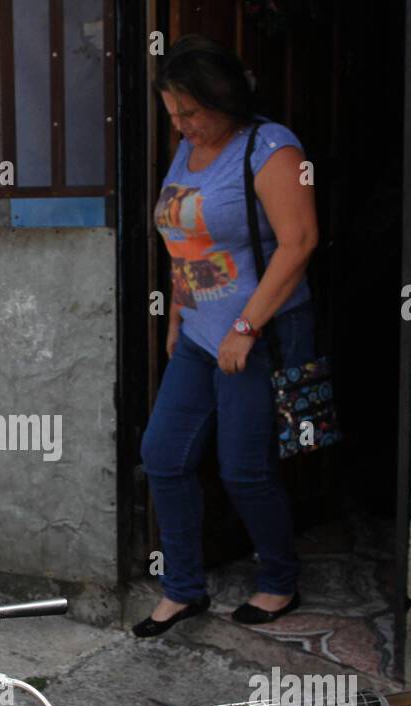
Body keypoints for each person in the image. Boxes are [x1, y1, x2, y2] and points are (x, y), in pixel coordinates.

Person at [133, 36, 319, 637]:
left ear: (225, 101)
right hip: (199, 331)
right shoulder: (188, 153)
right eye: (173, 115)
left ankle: (279, 580)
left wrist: (245, 326)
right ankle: (183, 589)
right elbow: (183, 240)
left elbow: (301, 242)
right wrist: (179, 316)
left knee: (245, 469)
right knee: (163, 455)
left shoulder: (271, 148)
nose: (181, 125)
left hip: (256, 332)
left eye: (191, 112)